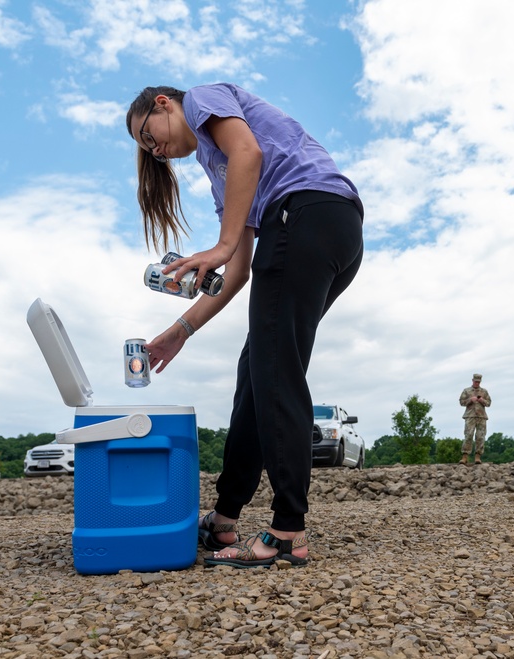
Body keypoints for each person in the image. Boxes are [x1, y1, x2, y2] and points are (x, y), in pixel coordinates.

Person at [126, 83, 364, 567]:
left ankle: (286, 532)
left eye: (149, 136)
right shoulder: (219, 172)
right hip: (330, 226)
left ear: (163, 105)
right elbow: (236, 271)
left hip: (303, 214)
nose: (155, 151)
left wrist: (221, 243)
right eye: (147, 149)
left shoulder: (201, 98)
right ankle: (225, 519)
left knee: (277, 373)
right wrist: (180, 330)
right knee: (259, 368)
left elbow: (249, 153)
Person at [458, 373, 491, 465]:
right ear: (472, 380)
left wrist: (482, 400)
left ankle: (478, 456)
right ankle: (465, 456)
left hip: (481, 416)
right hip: (470, 416)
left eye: (478, 382)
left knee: (480, 436)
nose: (477, 383)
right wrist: (470, 400)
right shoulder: (467, 391)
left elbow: (489, 403)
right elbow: (461, 402)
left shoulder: (484, 392)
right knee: (468, 435)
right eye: (476, 381)